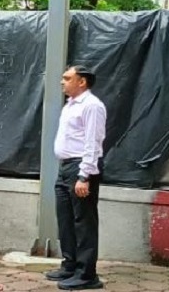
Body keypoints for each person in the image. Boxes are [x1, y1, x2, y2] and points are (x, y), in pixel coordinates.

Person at [45, 66, 107, 291]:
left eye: (67, 78)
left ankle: (87, 274)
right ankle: (69, 265)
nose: (62, 82)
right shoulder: (70, 105)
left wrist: (84, 175)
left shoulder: (92, 106)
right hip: (66, 168)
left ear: (82, 82)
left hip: (81, 167)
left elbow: (93, 142)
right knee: (66, 219)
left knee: (84, 222)